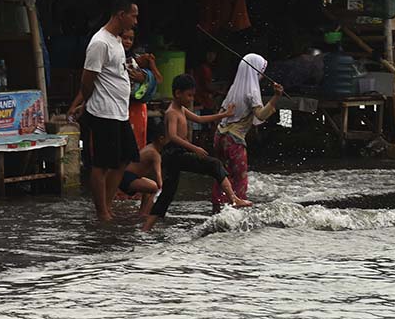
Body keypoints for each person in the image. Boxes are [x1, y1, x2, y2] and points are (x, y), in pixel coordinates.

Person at [142, 74, 250, 231]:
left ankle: (146, 228)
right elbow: (172, 136)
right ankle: (233, 198)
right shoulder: (172, 112)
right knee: (214, 164)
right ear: (178, 93)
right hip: (173, 154)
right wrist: (194, 148)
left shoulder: (182, 109)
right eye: (189, 95)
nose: (191, 98)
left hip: (175, 155)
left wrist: (223, 115)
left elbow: (200, 120)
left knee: (167, 194)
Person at [68, 0, 140, 221]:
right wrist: (84, 104)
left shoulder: (117, 40)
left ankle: (107, 205)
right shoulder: (99, 42)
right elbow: (87, 79)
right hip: (103, 111)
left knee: (124, 158)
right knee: (100, 164)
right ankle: (102, 212)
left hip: (119, 111)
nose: (135, 21)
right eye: (133, 16)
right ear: (121, 15)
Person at [209, 54, 282, 212]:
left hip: (219, 137)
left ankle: (217, 208)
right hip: (234, 141)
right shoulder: (252, 92)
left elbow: (222, 112)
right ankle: (237, 211)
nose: (262, 75)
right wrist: (276, 97)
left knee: (221, 175)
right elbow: (261, 115)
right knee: (240, 179)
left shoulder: (233, 89)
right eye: (261, 71)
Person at [122, 30, 161, 149]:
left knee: (137, 143)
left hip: (138, 108)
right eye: (125, 38)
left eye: (131, 39)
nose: (128, 42)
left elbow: (159, 79)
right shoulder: (118, 58)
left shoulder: (137, 62)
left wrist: (149, 68)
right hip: (122, 107)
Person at [120, 121, 166, 216]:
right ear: (161, 139)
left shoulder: (150, 147)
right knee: (155, 188)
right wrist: (162, 189)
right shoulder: (154, 154)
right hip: (128, 178)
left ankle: (142, 212)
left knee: (150, 186)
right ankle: (147, 213)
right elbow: (158, 174)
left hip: (126, 176)